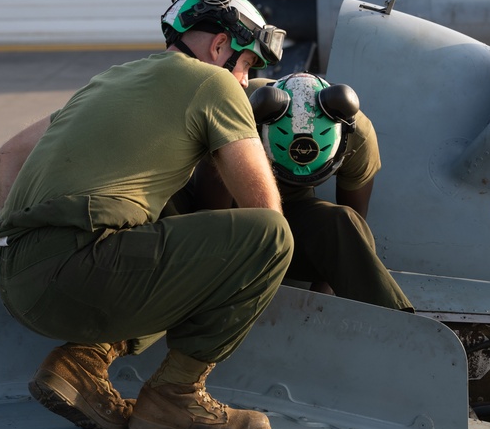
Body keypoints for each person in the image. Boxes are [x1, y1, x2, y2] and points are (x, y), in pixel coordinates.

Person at [0, 0, 294, 429]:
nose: (245, 78)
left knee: (165, 215)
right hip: (82, 273)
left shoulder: (108, 80)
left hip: (18, 281)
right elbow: (264, 214)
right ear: (219, 48)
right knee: (270, 241)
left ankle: (82, 362)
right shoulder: (214, 85)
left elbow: (10, 153)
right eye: (247, 65)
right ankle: (176, 395)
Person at [169, 71, 412, 312]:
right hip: (219, 202)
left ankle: (403, 331)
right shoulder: (237, 108)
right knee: (166, 204)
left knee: (344, 222)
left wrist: (318, 299)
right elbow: (212, 221)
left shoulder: (359, 136)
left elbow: (353, 231)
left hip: (289, 212)